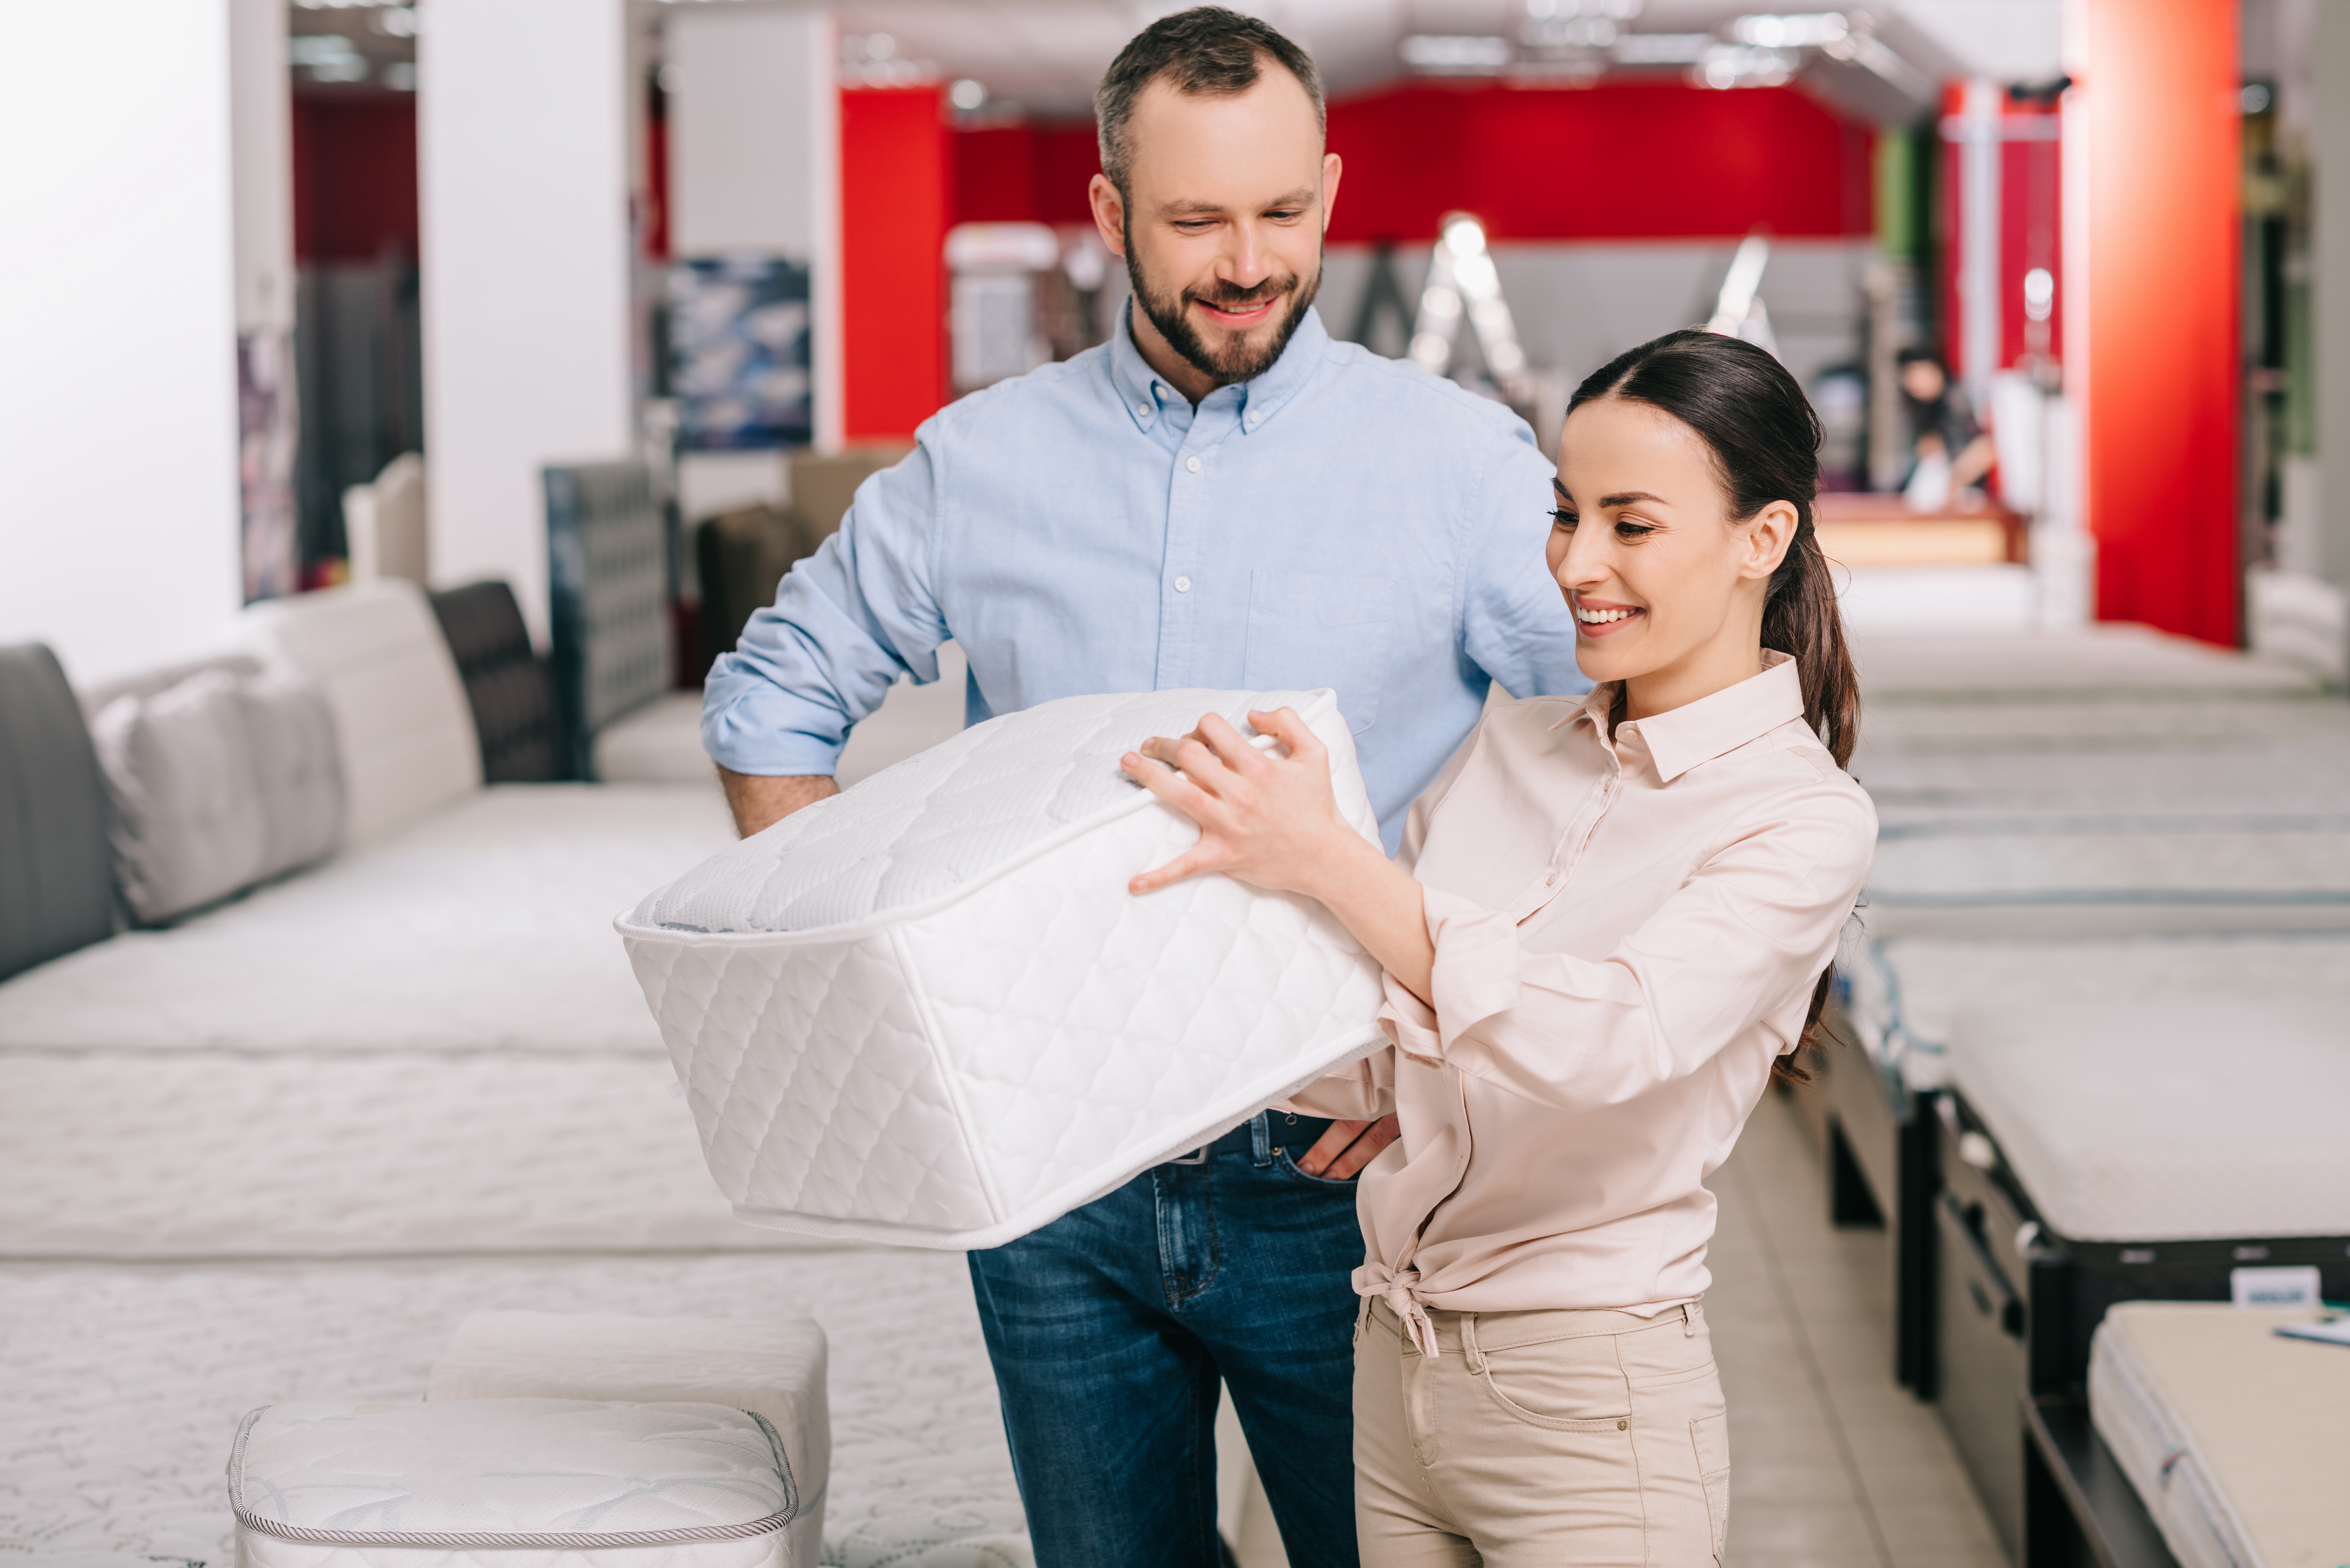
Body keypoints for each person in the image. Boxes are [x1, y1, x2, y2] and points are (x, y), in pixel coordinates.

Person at [698, 9, 1584, 1563]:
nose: (1247, 260)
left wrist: (1462, 1041)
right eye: (1193, 221)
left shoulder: (1459, 467)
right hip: (1055, 1186)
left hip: (1351, 1177)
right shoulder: (981, 463)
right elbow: (772, 699)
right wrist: (889, 1012)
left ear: (1323, 184)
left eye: (1281, 213)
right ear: (1110, 214)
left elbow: (1630, 747)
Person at [1122, 328, 1877, 1564]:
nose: (1576, 563)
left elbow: (1604, 1037)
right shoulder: (1512, 742)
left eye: (1630, 525)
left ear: (1764, 539)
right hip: (1394, 1366)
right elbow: (1388, 1032)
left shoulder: (1800, 818)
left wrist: (1330, 862)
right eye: (1566, 514)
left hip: (1591, 1402)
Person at [1896, 347, 1995, 505]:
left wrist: (1956, 480)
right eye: (1910, 378)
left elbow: (1987, 447)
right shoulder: (1924, 406)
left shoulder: (1956, 400)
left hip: (1968, 491)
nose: (1916, 383)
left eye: (1921, 375)